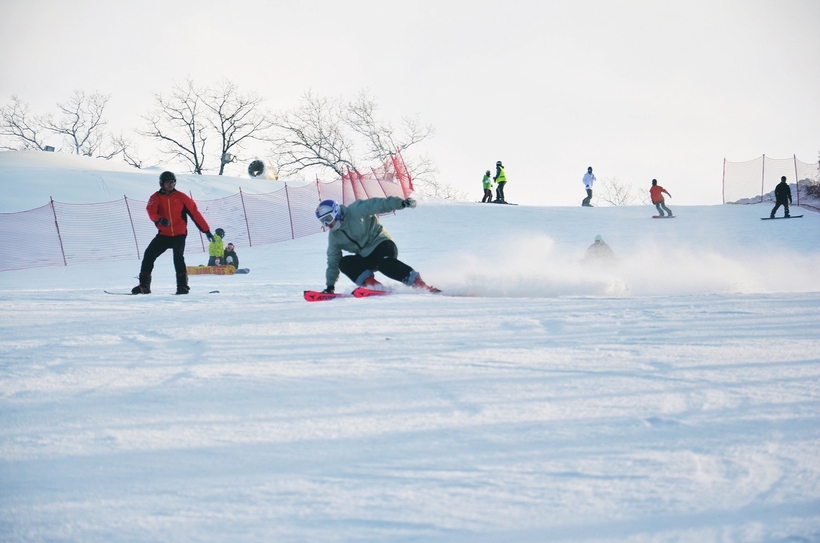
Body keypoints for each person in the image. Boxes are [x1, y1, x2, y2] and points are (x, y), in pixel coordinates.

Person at [315, 197, 439, 294]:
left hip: (381, 243)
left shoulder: (356, 210)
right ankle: (373, 285)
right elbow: (332, 261)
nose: (328, 224)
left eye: (328, 218)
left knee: (385, 264)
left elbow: (379, 204)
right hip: (365, 256)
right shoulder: (334, 237)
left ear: (336, 212)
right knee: (343, 262)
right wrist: (330, 286)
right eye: (323, 222)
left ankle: (418, 283)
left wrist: (401, 203)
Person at [131, 171, 213, 295]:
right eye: (168, 182)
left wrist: (206, 230)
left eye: (173, 182)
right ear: (161, 183)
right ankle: (144, 285)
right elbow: (150, 211)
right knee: (149, 255)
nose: (171, 184)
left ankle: (182, 287)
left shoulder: (181, 197)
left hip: (179, 234)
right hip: (164, 234)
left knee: (178, 258)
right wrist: (159, 219)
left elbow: (195, 213)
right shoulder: (155, 197)